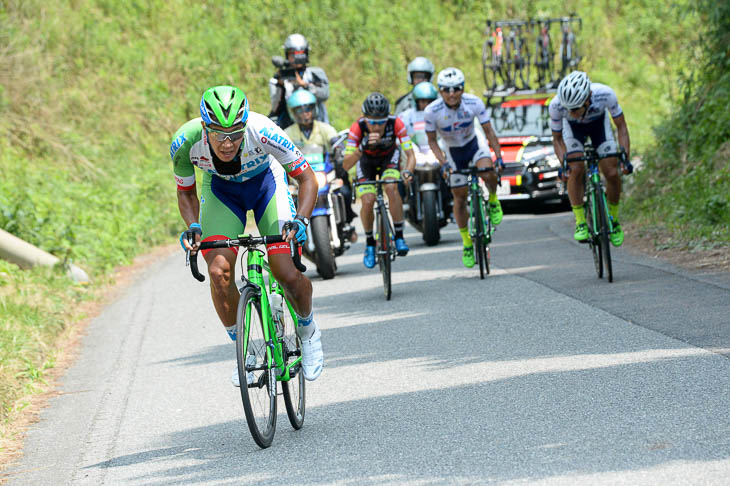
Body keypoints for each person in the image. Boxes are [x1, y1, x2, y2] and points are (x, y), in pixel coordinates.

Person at [171, 85, 324, 385]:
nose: (227, 143)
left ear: (245, 126)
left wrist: (302, 220)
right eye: (218, 134)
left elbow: (307, 179)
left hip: (266, 186)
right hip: (222, 193)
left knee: (285, 271)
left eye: (235, 134)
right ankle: (248, 349)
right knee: (219, 272)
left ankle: (308, 331)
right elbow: (185, 191)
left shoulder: (264, 130)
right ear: (204, 128)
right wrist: (193, 225)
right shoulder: (184, 142)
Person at [424, 67, 504, 268]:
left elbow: (489, 132)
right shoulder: (431, 111)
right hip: (452, 151)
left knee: (487, 171)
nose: (452, 94)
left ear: (462, 88)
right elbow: (432, 142)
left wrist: (499, 157)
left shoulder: (474, 103)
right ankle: (467, 242)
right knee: (459, 196)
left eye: (456, 89)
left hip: (473, 144)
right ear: (440, 91)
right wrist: (443, 164)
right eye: (446, 90)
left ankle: (493, 199)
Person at [550, 71, 630, 246]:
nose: (571, 112)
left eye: (575, 108)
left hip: (599, 127)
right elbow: (557, 140)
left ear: (588, 98)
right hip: (573, 131)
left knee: (612, 173)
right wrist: (564, 164)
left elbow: (621, 127)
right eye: (568, 109)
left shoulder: (605, 94)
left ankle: (614, 220)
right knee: (575, 169)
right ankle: (580, 222)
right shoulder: (556, 106)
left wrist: (625, 157)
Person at [343, 92, 417, 268]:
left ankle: (399, 236)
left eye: (381, 122)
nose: (377, 127)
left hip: (388, 158)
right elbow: (346, 165)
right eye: (373, 122)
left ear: (388, 118)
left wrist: (408, 171)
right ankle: (369, 243)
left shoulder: (396, 123)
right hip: (365, 161)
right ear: (364, 118)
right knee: (367, 201)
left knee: (391, 187)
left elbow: (410, 154)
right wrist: (362, 147)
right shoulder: (358, 128)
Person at [284, 88, 358, 234]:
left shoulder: (324, 128)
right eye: (300, 110)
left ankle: (347, 222)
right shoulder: (288, 133)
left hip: (324, 173)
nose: (305, 114)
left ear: (314, 109)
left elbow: (336, 142)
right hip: (299, 177)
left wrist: (338, 151)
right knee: (285, 201)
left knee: (345, 190)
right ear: (293, 113)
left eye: (308, 109)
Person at [269, 33, 330, 129]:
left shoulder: (315, 74)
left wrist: (304, 85)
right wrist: (280, 87)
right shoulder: (280, 77)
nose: (297, 58)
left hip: (317, 124)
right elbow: (275, 107)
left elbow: (325, 94)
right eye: (292, 54)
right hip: (291, 126)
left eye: (300, 54)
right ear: (287, 55)